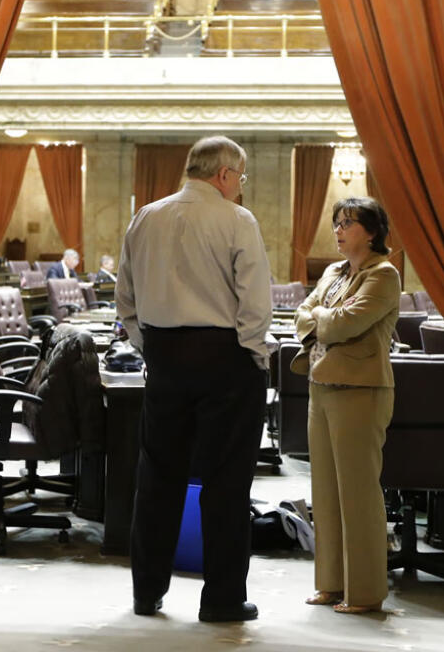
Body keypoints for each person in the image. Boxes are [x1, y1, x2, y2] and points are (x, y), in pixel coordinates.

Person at [116, 135, 272, 623]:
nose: (239, 188)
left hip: (164, 359)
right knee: (226, 484)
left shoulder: (145, 216)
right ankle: (222, 599)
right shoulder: (236, 219)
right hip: (225, 359)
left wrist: (152, 348)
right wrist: (253, 353)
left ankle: (147, 592)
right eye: (239, 178)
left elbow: (126, 299)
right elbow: (255, 303)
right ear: (224, 174)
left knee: (157, 477)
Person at [292, 197, 401, 614]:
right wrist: (322, 315)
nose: (338, 231)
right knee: (326, 491)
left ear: (371, 232)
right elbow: (302, 314)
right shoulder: (335, 272)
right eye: (337, 223)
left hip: (362, 390)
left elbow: (345, 324)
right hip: (320, 384)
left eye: (348, 224)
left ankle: (365, 592)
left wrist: (321, 316)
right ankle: (331, 584)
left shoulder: (385, 275)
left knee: (357, 493)